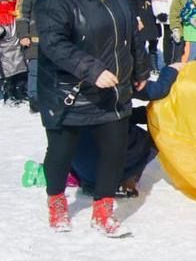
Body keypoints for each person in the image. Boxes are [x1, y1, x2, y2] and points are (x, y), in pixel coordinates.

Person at [35, 0, 146, 236]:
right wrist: (92, 70)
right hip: (69, 92)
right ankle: (57, 202)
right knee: (61, 152)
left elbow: (131, 31)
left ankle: (103, 209)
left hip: (113, 89)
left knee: (114, 151)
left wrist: (140, 68)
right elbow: (54, 44)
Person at [71, 62, 183, 199]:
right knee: (147, 138)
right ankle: (126, 179)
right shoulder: (118, 71)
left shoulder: (78, 73)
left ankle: (88, 181)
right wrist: (172, 69)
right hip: (107, 166)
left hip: (79, 164)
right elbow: (159, 90)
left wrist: (145, 114)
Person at [17, 0, 52, 114]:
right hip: (34, 39)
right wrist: (23, 35)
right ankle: (34, 99)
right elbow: (22, 15)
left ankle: (50, 97)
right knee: (35, 71)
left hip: (53, 40)